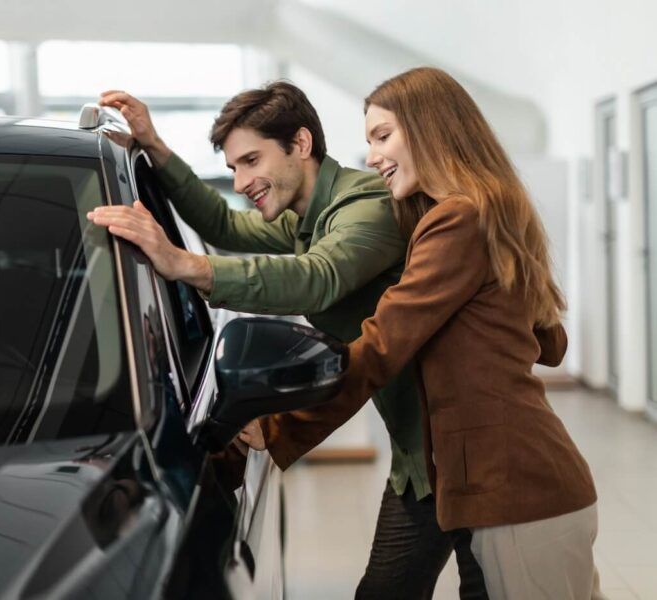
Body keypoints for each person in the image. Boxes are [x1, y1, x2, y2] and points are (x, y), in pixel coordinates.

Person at [88, 83, 488, 598]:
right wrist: (157, 149)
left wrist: (184, 263)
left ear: (300, 143)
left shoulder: (367, 206)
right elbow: (223, 224)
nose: (243, 180)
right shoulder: (305, 218)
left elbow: (315, 277)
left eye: (252, 160)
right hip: (420, 453)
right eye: (234, 168)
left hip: (464, 445)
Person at [238, 67, 602, 600]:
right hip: (523, 488)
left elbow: (383, 346)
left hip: (519, 496)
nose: (370, 156)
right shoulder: (487, 209)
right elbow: (549, 342)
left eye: (383, 136)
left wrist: (278, 427)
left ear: (431, 129)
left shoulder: (458, 221)